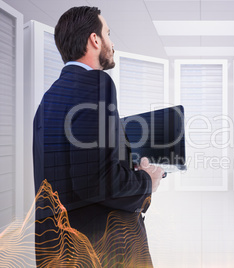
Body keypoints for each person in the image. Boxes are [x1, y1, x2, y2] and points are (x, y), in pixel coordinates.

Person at [33, 6, 164, 267]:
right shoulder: (97, 83)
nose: (112, 43)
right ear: (95, 39)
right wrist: (146, 180)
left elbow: (77, 174)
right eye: (108, 33)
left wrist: (125, 164)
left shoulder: (47, 101)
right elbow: (98, 182)